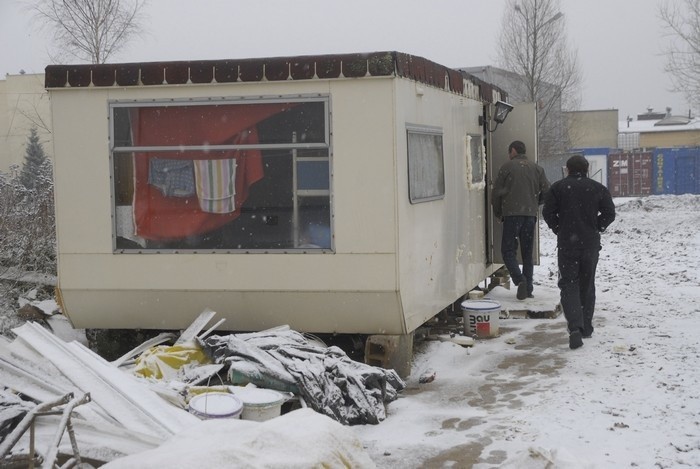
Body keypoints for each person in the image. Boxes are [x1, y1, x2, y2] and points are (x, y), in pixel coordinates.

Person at [542, 154, 616, 350]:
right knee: (587, 283)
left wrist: (559, 228)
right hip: (590, 245)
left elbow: (547, 213)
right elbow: (610, 213)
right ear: (587, 170)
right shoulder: (598, 188)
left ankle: (575, 327)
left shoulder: (558, 188)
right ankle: (587, 326)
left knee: (569, 284)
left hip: (568, 244)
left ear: (567, 169)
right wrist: (596, 226)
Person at [492, 140, 550, 301]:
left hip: (511, 215)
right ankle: (529, 288)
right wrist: (534, 203)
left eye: (509, 152)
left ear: (513, 151)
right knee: (527, 253)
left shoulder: (506, 167)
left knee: (508, 251)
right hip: (530, 216)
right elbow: (547, 191)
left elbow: (496, 193)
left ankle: (520, 280)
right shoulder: (537, 168)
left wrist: (498, 213)